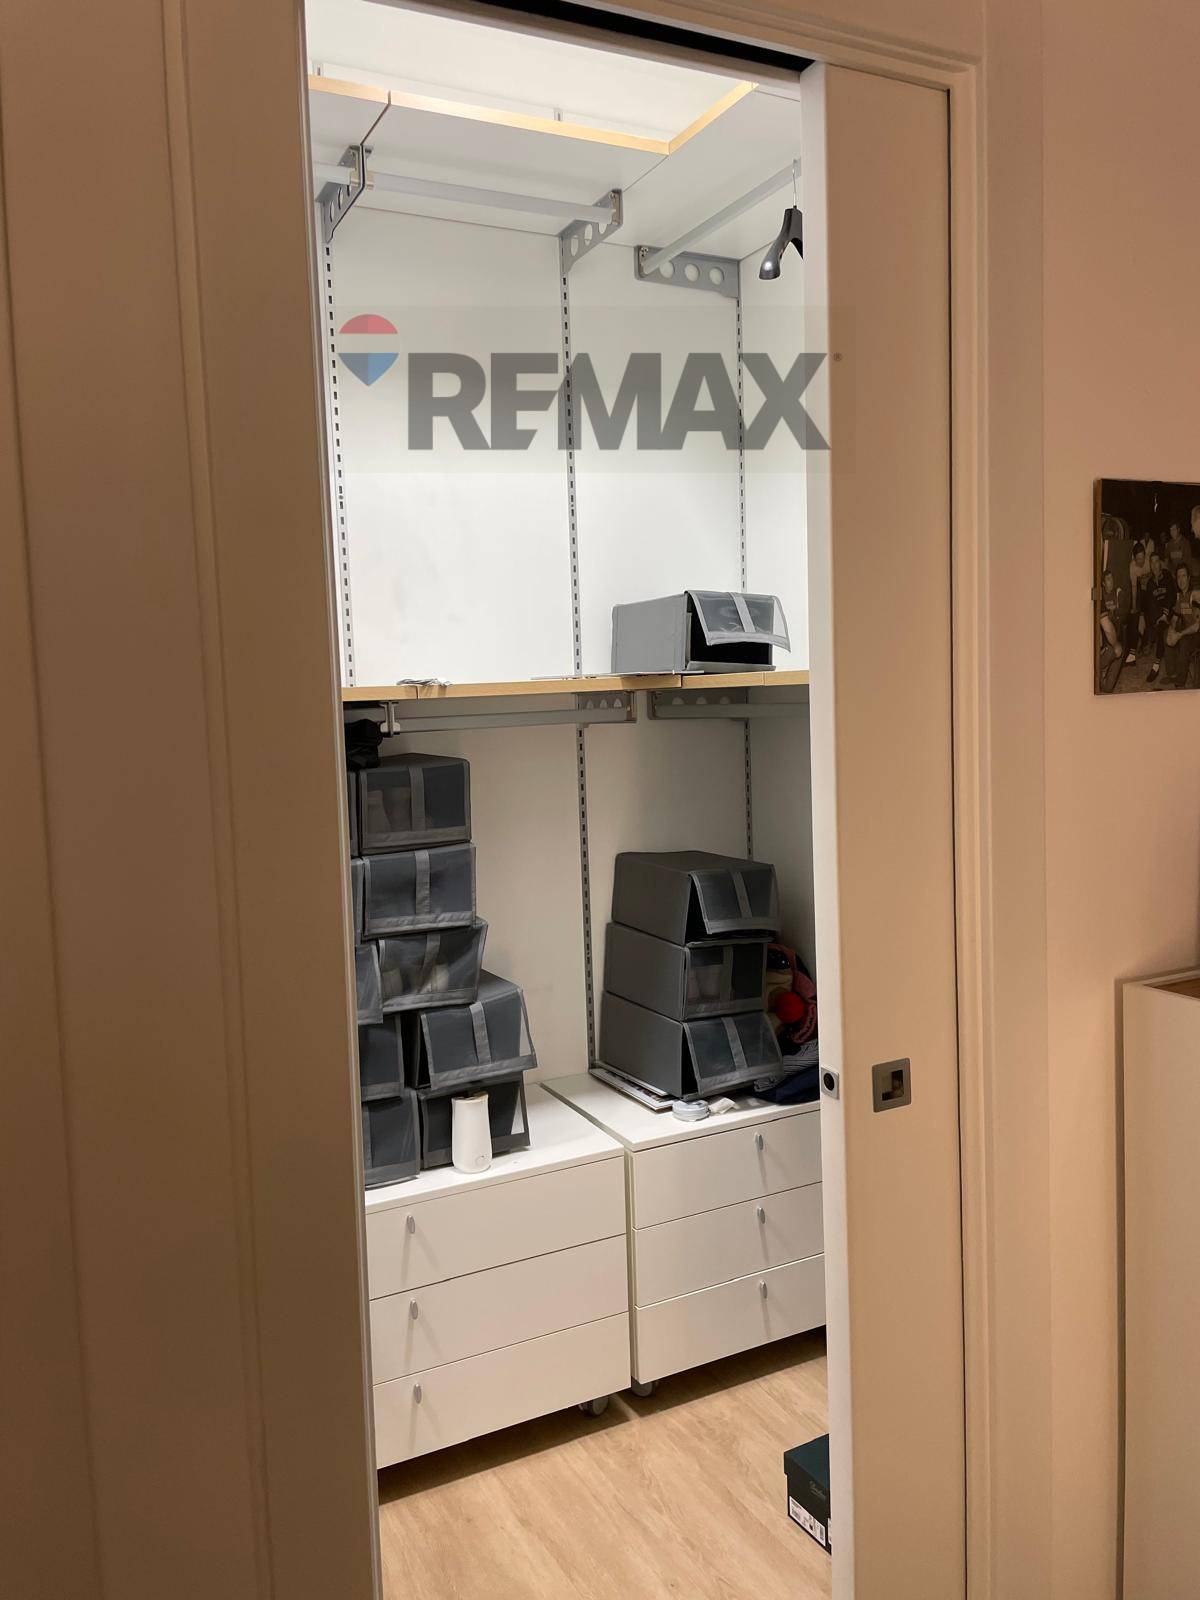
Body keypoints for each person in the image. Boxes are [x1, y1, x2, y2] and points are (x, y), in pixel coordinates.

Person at [1162, 562, 1200, 688]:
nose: (1181, 580)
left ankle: (1180, 681)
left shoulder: (1194, 596)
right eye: (1178, 576)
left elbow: (1196, 627)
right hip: (1187, 631)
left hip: (1197, 634)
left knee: (1184, 641)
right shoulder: (1181, 597)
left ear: (1189, 578)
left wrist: (1179, 634)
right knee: (1166, 633)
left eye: (1184, 576)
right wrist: (1172, 629)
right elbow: (1175, 617)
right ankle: (1172, 673)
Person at [1143, 552, 1174, 684]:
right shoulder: (1150, 583)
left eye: (1157, 561)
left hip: (1170, 611)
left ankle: (1156, 665)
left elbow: (1172, 596)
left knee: (1161, 628)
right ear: (1150, 565)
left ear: (1160, 563)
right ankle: (1157, 662)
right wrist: (1158, 617)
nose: (1155, 565)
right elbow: (1151, 604)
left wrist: (1165, 614)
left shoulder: (1167, 575)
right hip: (1159, 617)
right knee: (1160, 628)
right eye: (1152, 562)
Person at [1123, 540, 1150, 663]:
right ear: (1134, 558)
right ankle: (1131, 651)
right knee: (1134, 615)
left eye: (1142, 557)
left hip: (1150, 590)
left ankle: (1146, 642)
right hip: (1139, 591)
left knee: (1147, 615)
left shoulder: (1149, 562)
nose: (1141, 561)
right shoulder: (1132, 566)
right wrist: (1134, 607)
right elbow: (1134, 588)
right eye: (1138, 559)